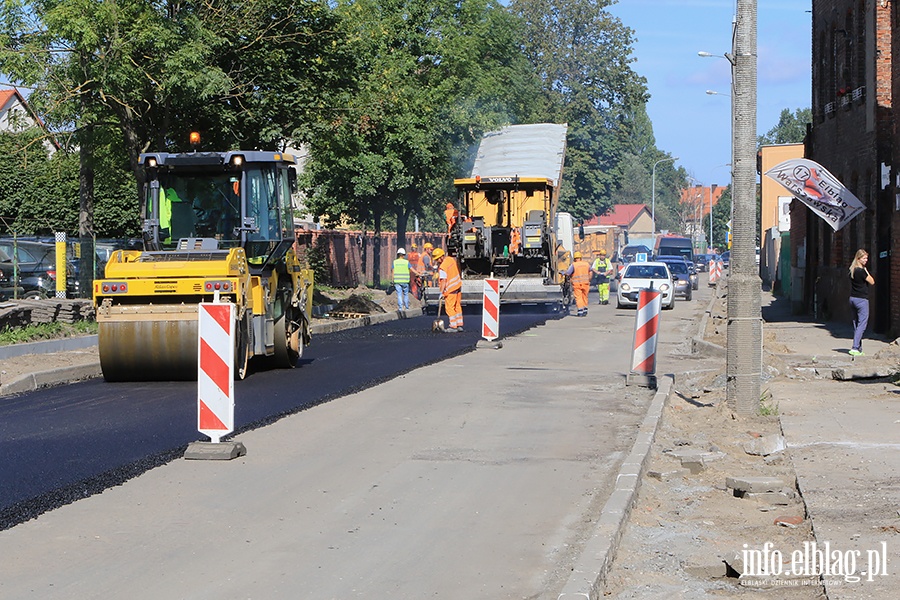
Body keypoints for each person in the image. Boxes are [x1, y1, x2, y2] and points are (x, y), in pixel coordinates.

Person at [848, 249, 874, 356]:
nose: (866, 260)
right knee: (862, 324)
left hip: (852, 299)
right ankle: (854, 347)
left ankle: (859, 348)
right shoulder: (861, 271)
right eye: (864, 258)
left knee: (856, 324)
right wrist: (867, 271)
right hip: (861, 300)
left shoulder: (852, 270)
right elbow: (872, 282)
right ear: (858, 258)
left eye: (867, 258)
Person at [432, 248, 464, 332]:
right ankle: (459, 324)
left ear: (442, 257)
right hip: (458, 286)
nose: (437, 261)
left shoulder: (443, 267)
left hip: (450, 289)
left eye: (438, 259)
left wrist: (441, 292)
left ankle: (453, 326)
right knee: (457, 306)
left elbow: (443, 281)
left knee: (449, 307)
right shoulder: (450, 259)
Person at [564, 251, 591, 317]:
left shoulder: (574, 265)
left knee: (578, 297)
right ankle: (585, 310)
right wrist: (589, 279)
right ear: (581, 258)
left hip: (577, 284)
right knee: (585, 296)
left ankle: (580, 311)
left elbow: (568, 273)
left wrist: (563, 273)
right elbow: (590, 272)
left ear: (575, 258)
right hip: (586, 283)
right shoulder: (586, 264)